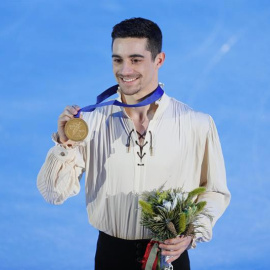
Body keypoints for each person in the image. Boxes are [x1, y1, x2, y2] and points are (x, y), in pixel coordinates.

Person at [37, 17, 231, 270]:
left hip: (168, 257)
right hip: (111, 255)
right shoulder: (90, 122)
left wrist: (192, 232)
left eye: (135, 60)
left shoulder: (197, 124)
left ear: (159, 60)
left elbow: (214, 191)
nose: (124, 70)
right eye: (118, 60)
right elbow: (53, 194)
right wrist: (65, 145)